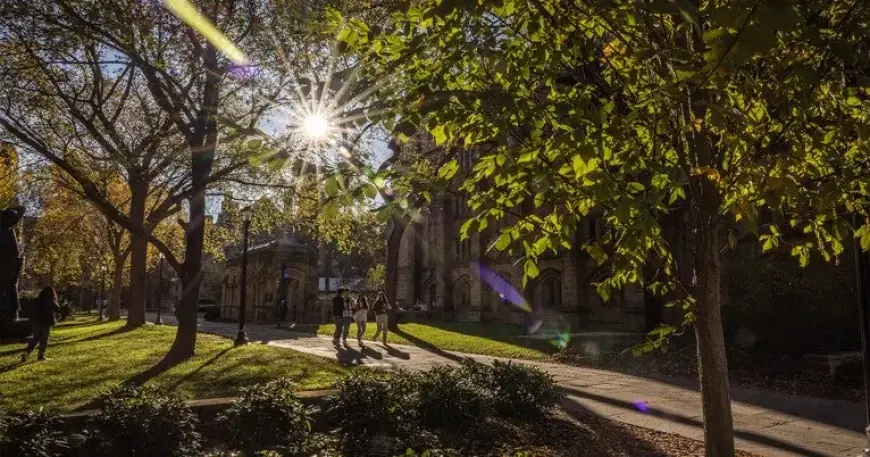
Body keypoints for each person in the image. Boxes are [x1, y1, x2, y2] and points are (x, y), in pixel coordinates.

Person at [21, 286, 59, 362]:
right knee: (44, 339)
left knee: (36, 338)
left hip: (36, 322)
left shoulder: (37, 300)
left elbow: (31, 311)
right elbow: (57, 308)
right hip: (46, 322)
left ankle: (26, 353)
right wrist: (55, 300)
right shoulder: (50, 300)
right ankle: (40, 356)